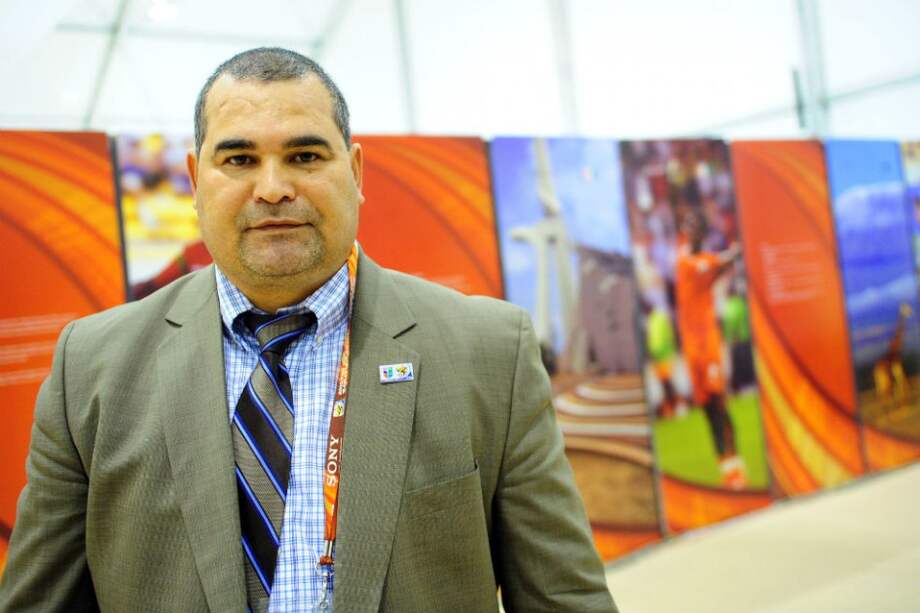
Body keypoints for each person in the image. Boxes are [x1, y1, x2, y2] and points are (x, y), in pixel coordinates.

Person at [0, 48, 616, 612]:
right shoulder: (93, 367)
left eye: (304, 156)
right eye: (239, 159)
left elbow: (562, 596)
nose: (273, 188)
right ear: (195, 179)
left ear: (354, 170)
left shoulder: (488, 352)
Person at [674, 209, 746, 489]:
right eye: (685, 226)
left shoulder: (702, 262)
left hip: (708, 346)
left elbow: (722, 263)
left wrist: (735, 251)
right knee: (706, 409)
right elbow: (722, 262)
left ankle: (735, 466)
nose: (687, 231)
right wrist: (735, 251)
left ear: (701, 234)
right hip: (693, 351)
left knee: (719, 403)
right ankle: (725, 468)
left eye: (693, 226)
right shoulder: (688, 264)